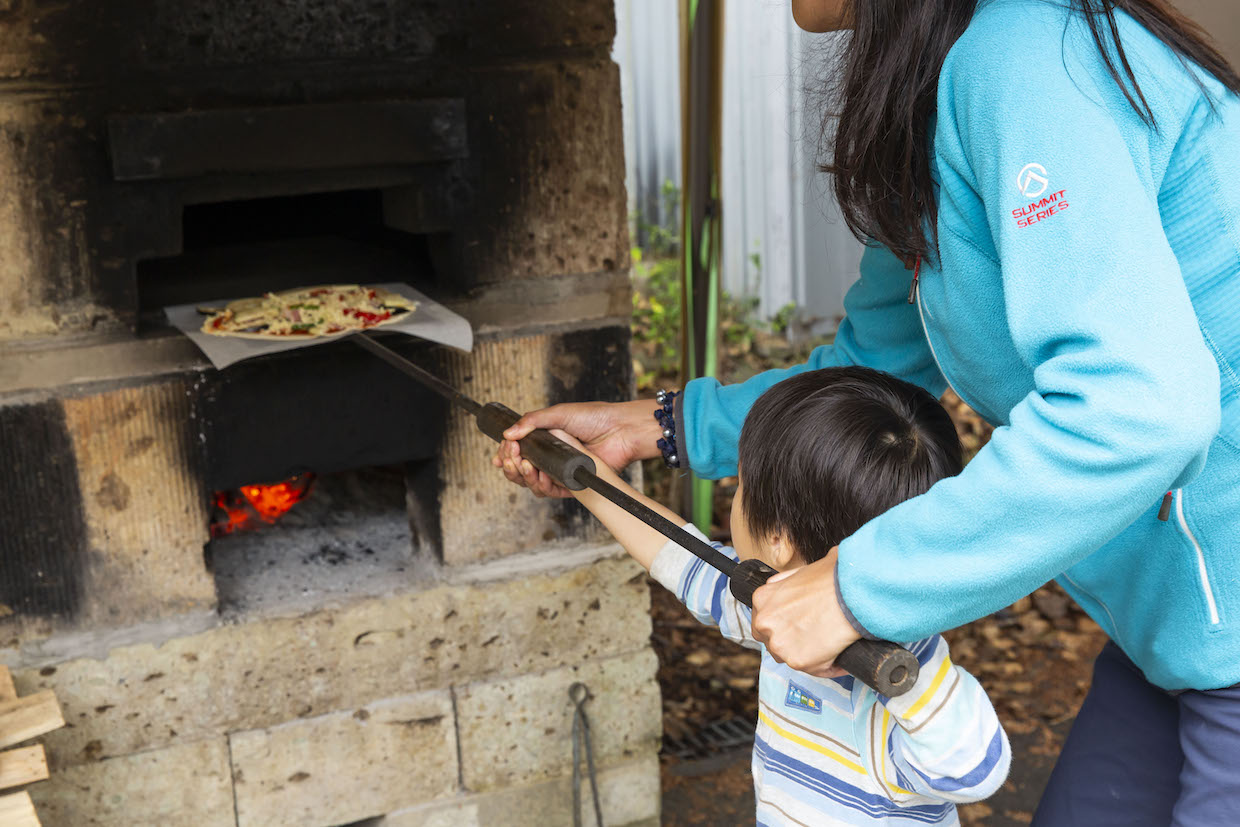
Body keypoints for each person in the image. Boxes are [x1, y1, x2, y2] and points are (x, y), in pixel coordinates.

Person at [497, 1, 1240, 823]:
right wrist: (663, 428)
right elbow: (870, 368)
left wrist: (859, 586)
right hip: (1170, 632)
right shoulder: (936, 79)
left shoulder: (1024, 55)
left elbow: (1137, 406)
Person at [501, 367, 1010, 825]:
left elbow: (975, 770)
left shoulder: (899, 672)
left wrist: (913, 682)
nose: (737, 496)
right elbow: (684, 558)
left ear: (779, 538)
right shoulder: (776, 605)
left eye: (741, 483)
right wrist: (588, 477)